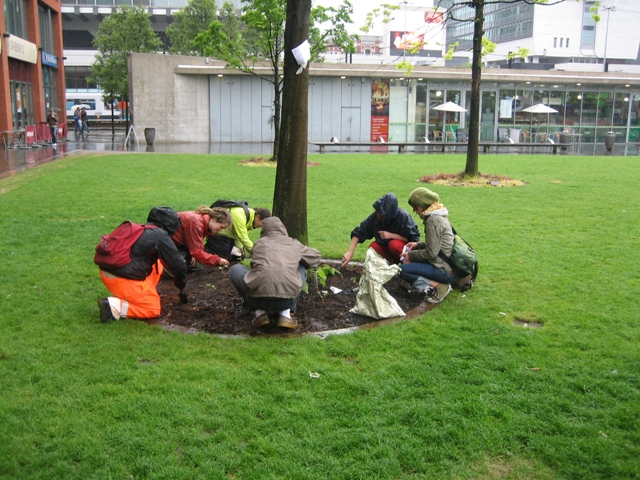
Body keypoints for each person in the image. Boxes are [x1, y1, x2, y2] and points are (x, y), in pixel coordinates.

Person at [229, 216, 321, 329]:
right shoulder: (293, 243)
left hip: (257, 298)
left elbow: (255, 266)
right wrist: (296, 259)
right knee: (301, 267)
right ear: (282, 229)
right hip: (286, 299)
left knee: (235, 269)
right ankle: (286, 315)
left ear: (264, 230)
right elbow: (316, 256)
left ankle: (259, 314)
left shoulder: (259, 244)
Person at [98, 206, 188, 322]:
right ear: (171, 226)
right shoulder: (160, 235)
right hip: (122, 278)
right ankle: (114, 306)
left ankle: (140, 294)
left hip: (108, 272)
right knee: (152, 309)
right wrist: (181, 285)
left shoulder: (142, 229)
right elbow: (179, 265)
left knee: (158, 264)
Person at [399, 187, 456, 304]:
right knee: (410, 266)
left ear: (424, 205)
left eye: (416, 207)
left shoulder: (432, 220)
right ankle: (439, 284)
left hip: (444, 270)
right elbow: (435, 245)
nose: (414, 210)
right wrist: (417, 245)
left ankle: (441, 286)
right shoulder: (438, 215)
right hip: (447, 266)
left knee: (403, 271)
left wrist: (411, 255)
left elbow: (432, 252)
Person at [341, 192, 420, 267]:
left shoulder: (403, 217)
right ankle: (387, 266)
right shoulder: (375, 217)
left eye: (382, 215)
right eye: (378, 213)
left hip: (401, 249)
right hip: (385, 249)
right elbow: (360, 231)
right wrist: (350, 251)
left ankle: (408, 266)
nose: (379, 216)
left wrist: (392, 236)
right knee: (374, 247)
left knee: (393, 244)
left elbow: (414, 239)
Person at [204, 205, 271, 260]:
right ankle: (204, 252)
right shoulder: (240, 215)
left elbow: (240, 235)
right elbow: (243, 237)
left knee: (240, 257)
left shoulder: (250, 217)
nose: (261, 226)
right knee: (224, 257)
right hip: (218, 235)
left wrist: (239, 248)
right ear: (257, 217)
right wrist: (257, 253)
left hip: (229, 238)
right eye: (262, 223)